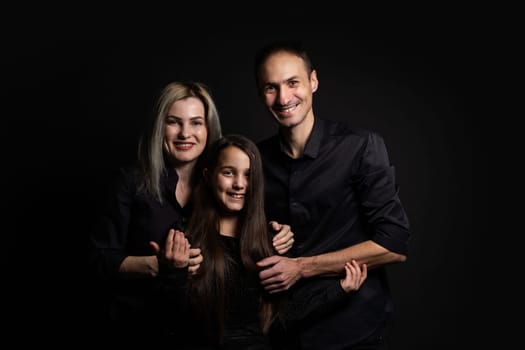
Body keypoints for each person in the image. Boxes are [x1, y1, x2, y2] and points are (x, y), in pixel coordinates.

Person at [88, 82, 294, 342]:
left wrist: (276, 232)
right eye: (174, 122)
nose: (186, 133)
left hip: (200, 334)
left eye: (196, 122)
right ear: (159, 127)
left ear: (209, 129)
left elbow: (244, 232)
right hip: (136, 329)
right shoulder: (130, 183)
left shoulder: (220, 185)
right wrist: (155, 266)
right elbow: (97, 260)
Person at [253, 40, 411, 349]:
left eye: (292, 83)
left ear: (313, 81)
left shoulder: (360, 147)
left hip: (353, 331)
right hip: (284, 332)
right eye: (271, 87)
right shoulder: (256, 160)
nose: (284, 98)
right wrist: (267, 235)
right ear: (261, 94)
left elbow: (394, 244)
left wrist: (301, 266)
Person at [159, 134, 367, 349]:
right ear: (208, 175)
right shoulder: (184, 239)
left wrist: (338, 291)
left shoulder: (270, 241)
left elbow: (279, 322)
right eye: (228, 172)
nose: (240, 184)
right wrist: (174, 273)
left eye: (248, 175)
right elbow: (172, 324)